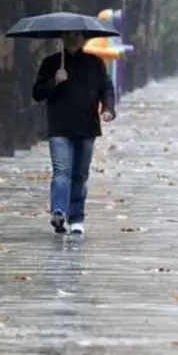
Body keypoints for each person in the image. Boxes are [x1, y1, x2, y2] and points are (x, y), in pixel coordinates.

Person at [32, 32, 116, 235]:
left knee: (79, 174)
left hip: (87, 127)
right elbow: (37, 93)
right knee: (62, 171)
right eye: (69, 36)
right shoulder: (52, 63)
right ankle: (59, 212)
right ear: (62, 38)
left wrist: (108, 109)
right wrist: (55, 81)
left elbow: (106, 88)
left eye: (77, 36)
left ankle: (76, 217)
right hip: (59, 127)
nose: (73, 39)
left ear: (83, 39)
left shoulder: (94, 63)